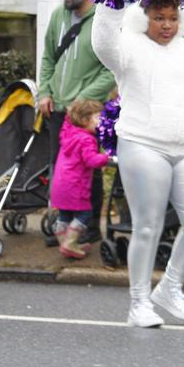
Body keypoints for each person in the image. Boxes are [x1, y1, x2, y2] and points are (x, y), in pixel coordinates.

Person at [92, 0, 184, 327]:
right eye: (159, 17)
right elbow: (102, 43)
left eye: (173, 18)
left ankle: (171, 286)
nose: (167, 25)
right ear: (143, 16)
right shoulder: (127, 46)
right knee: (148, 226)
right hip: (142, 143)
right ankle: (139, 302)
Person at [37, 0, 115, 245]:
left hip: (85, 114)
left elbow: (110, 70)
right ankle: (66, 225)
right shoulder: (59, 15)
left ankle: (90, 226)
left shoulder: (102, 22)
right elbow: (47, 57)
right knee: (63, 171)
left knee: (88, 170)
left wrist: (82, 101)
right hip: (57, 108)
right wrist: (44, 92)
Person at [50, 98, 110, 259]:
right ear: (84, 120)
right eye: (98, 118)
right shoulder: (87, 139)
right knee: (85, 214)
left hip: (60, 184)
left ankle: (66, 241)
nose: (101, 121)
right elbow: (91, 160)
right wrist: (107, 158)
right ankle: (70, 242)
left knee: (64, 214)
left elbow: (65, 125)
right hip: (75, 186)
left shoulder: (68, 134)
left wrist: (69, 115)